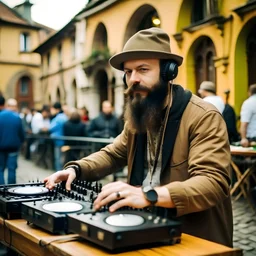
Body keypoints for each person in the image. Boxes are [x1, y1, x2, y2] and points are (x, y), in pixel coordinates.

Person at [44, 27, 233, 247]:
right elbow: (113, 154)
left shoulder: (203, 116)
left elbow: (213, 182)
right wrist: (75, 169)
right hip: (148, 230)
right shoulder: (139, 117)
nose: (133, 79)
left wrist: (148, 195)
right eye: (128, 72)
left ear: (168, 72)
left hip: (194, 238)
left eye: (142, 69)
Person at [0, 96, 25, 184]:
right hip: (13, 147)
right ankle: (10, 190)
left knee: (0, 169)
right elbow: (22, 133)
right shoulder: (17, 117)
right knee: (12, 169)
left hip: (1, 148)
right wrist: (21, 142)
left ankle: (1, 190)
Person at [49, 102, 68, 171]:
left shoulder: (57, 118)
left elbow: (50, 128)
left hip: (58, 141)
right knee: (63, 159)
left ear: (56, 109)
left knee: (58, 159)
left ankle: (59, 173)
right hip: (65, 141)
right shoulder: (65, 117)